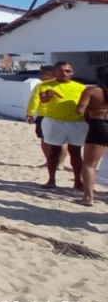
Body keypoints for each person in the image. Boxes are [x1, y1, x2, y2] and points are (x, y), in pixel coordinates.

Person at [37, 62, 87, 190]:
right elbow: (43, 99)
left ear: (72, 72)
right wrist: (46, 97)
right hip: (54, 122)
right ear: (54, 72)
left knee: (75, 152)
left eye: (67, 71)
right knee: (53, 151)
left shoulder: (81, 87)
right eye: (60, 71)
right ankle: (51, 180)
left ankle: (78, 181)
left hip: (77, 123)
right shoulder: (45, 85)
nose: (64, 73)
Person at [76, 65, 108, 206]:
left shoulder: (93, 91)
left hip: (99, 125)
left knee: (90, 164)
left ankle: (88, 198)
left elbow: (80, 109)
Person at [26, 65, 57, 172]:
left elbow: (34, 100)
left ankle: (49, 161)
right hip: (61, 115)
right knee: (62, 140)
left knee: (44, 139)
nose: (41, 75)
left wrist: (30, 113)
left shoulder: (41, 86)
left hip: (45, 115)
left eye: (44, 73)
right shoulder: (62, 85)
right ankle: (60, 163)